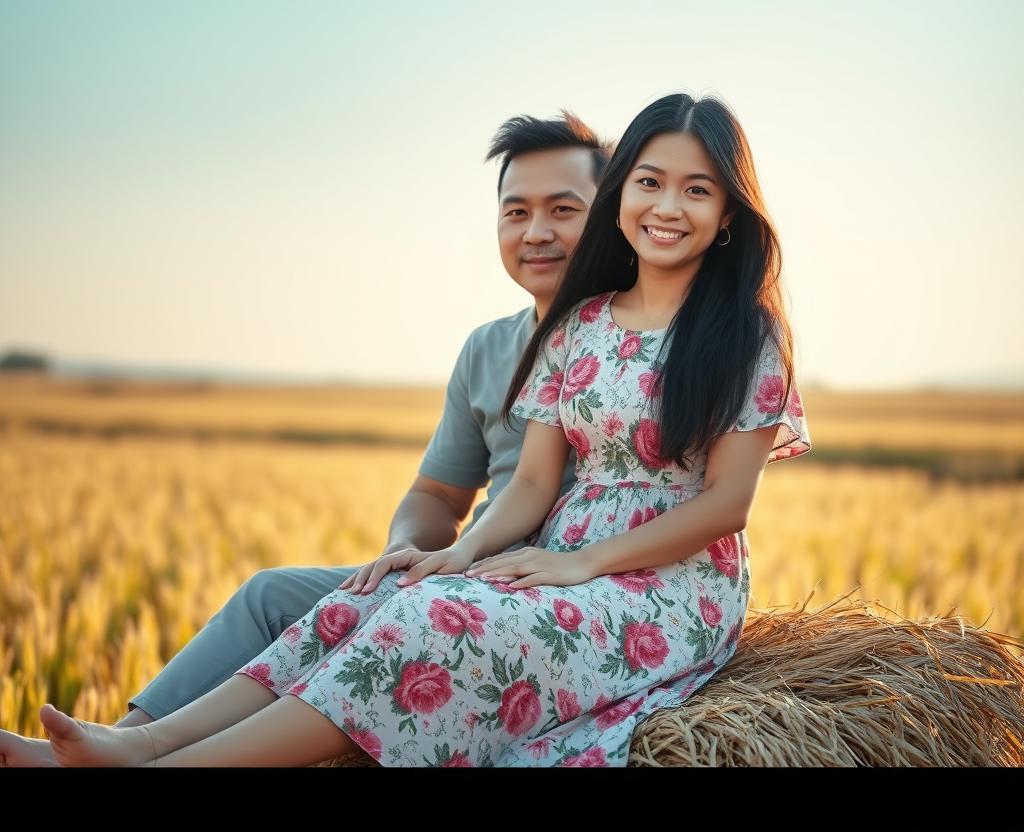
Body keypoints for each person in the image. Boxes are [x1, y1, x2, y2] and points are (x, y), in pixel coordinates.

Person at [10, 91, 813, 767]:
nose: (668, 207)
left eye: (698, 190)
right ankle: (139, 747)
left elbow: (727, 504)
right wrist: (455, 553)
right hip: (556, 555)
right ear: (623, 198)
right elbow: (533, 482)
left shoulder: (747, 335)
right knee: (401, 592)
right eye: (650, 182)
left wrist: (583, 564)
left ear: (730, 212)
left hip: (671, 586)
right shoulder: (580, 326)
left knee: (434, 622)